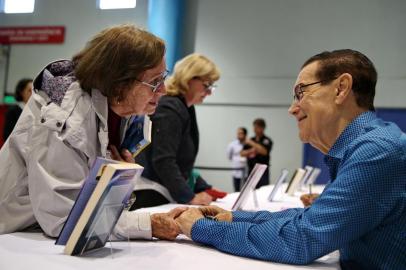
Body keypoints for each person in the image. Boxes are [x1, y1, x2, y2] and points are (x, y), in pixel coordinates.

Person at [174, 49, 406, 269]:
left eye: (300, 93)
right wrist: (232, 218)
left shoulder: (378, 151)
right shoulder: (369, 146)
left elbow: (301, 239)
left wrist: (199, 228)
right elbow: (308, 218)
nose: (292, 109)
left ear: (341, 88)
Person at [0, 24, 184, 241]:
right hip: (15, 235)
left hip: (39, 234)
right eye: (154, 82)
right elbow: (63, 219)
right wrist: (147, 225)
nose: (163, 90)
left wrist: (120, 182)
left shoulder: (124, 109)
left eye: (163, 77)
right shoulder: (68, 117)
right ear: (119, 83)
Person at [132, 53, 226, 209]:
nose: (209, 92)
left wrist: (203, 187)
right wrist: (189, 197)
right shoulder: (170, 108)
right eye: (206, 85)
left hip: (161, 190)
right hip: (152, 193)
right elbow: (164, 160)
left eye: (212, 86)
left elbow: (183, 163)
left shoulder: (183, 107)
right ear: (189, 78)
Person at [241, 118, 273, 188]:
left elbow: (264, 152)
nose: (255, 129)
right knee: (249, 191)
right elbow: (242, 153)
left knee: (262, 191)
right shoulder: (251, 139)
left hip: (262, 172)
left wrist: (252, 144)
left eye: (257, 127)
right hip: (251, 171)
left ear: (262, 128)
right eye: (254, 127)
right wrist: (252, 150)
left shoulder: (266, 140)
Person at [226, 127, 247, 191]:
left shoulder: (248, 144)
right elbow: (229, 156)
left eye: (241, 133)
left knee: (246, 191)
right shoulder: (232, 145)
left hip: (246, 172)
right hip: (236, 172)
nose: (239, 135)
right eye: (238, 133)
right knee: (236, 191)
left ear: (245, 134)